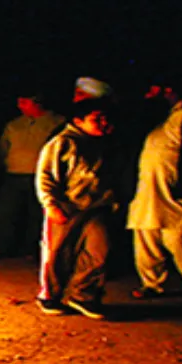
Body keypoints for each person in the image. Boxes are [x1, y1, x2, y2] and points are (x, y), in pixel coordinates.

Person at [34, 99, 118, 320]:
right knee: (58, 253)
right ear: (78, 121)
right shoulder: (63, 142)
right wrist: (50, 203)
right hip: (67, 205)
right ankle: (50, 295)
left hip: (97, 206)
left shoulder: (103, 142)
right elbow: (46, 175)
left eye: (104, 118)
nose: (102, 122)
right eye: (96, 119)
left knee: (100, 250)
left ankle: (83, 294)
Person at [125, 82, 182, 298]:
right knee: (145, 235)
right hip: (147, 188)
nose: (150, 95)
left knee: (178, 238)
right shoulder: (156, 118)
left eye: (156, 90)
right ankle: (152, 283)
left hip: (173, 187)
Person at [0, 90, 66, 260]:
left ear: (36, 102)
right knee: (6, 212)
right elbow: (3, 148)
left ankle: (32, 250)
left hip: (39, 175)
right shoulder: (14, 124)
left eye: (24, 102)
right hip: (13, 174)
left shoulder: (56, 122)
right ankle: (1, 247)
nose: (19, 106)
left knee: (36, 214)